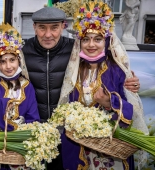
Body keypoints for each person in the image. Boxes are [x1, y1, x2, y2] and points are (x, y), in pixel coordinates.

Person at [0, 6, 142, 170]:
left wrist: (129, 82)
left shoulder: (75, 50)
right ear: (34, 27)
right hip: (35, 134)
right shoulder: (21, 53)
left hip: (67, 136)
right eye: (42, 28)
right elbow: (2, 73)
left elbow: (104, 65)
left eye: (54, 28)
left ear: (63, 26)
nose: (48, 34)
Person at [58, 1, 148, 169]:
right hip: (79, 149)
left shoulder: (118, 71)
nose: (91, 45)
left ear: (107, 41)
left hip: (109, 151)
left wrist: (110, 103)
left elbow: (132, 112)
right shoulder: (73, 71)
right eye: (86, 39)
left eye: (97, 39)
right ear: (80, 42)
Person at [0, 23, 40, 170]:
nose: (8, 66)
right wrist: (4, 106)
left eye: (12, 60)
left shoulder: (27, 85)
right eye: (3, 61)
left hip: (19, 143)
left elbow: (33, 116)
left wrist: (23, 131)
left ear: (19, 60)